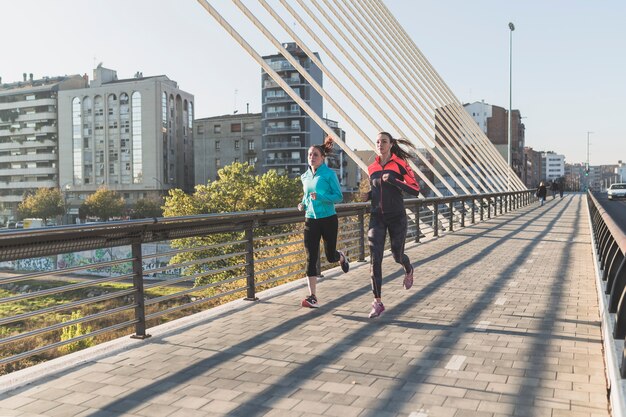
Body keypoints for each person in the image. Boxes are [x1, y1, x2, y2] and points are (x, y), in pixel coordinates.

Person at [362, 132, 420, 318]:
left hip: (396, 217)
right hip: (376, 217)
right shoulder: (372, 167)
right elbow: (377, 189)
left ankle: (408, 268)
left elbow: (416, 190)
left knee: (397, 255)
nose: (380, 144)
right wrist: (369, 195)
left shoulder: (401, 165)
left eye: (384, 141)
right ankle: (377, 302)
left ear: (391, 144)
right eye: (378, 141)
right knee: (374, 259)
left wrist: (395, 180)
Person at [298, 136, 349, 308]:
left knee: (329, 256)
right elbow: (306, 197)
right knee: (310, 258)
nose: (312, 157)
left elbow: (339, 197)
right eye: (310, 155)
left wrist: (321, 197)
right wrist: (302, 204)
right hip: (310, 220)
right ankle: (313, 297)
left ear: (322, 158)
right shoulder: (304, 176)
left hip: (328, 219)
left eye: (315, 155)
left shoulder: (329, 174)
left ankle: (340, 256)